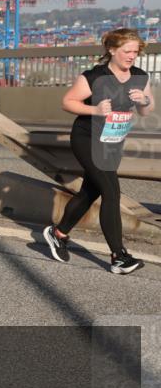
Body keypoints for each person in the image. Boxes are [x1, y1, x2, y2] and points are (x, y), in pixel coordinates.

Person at [43, 28, 154, 274]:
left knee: (90, 192)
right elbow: (68, 102)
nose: (131, 56)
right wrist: (95, 110)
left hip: (113, 140)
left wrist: (144, 102)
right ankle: (118, 257)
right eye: (127, 51)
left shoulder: (139, 76)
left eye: (135, 51)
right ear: (112, 50)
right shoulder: (94, 76)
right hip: (87, 138)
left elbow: (147, 110)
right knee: (111, 193)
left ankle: (57, 233)